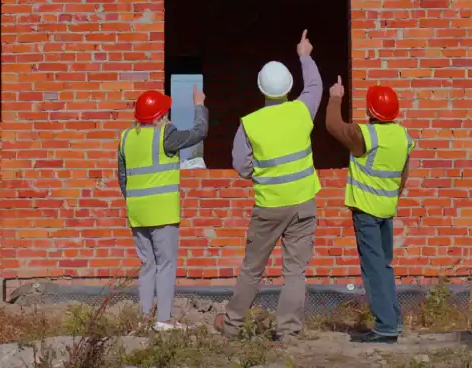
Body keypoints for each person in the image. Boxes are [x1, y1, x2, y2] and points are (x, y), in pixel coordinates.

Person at [216, 30, 323, 342]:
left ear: (261, 88)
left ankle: (232, 326)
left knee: (252, 269)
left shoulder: (250, 123)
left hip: (269, 206)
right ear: (289, 87)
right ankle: (288, 332)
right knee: (294, 272)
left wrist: (260, 173)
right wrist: (304, 55)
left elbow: (240, 166)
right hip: (303, 203)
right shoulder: (303, 110)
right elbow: (315, 86)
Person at [325, 78, 414, 344]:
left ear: (370, 111)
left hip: (366, 211)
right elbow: (403, 177)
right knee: (384, 266)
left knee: (373, 268)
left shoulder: (366, 135)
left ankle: (386, 326)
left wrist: (336, 97)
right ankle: (393, 320)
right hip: (387, 208)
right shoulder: (403, 136)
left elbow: (333, 126)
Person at [118, 86, 208, 331]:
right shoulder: (166, 134)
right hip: (163, 211)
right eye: (165, 111)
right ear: (158, 116)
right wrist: (199, 105)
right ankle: (164, 319)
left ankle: (145, 318)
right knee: (166, 265)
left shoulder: (126, 137)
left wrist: (135, 201)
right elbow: (199, 132)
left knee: (147, 265)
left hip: (137, 212)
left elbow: (122, 177)